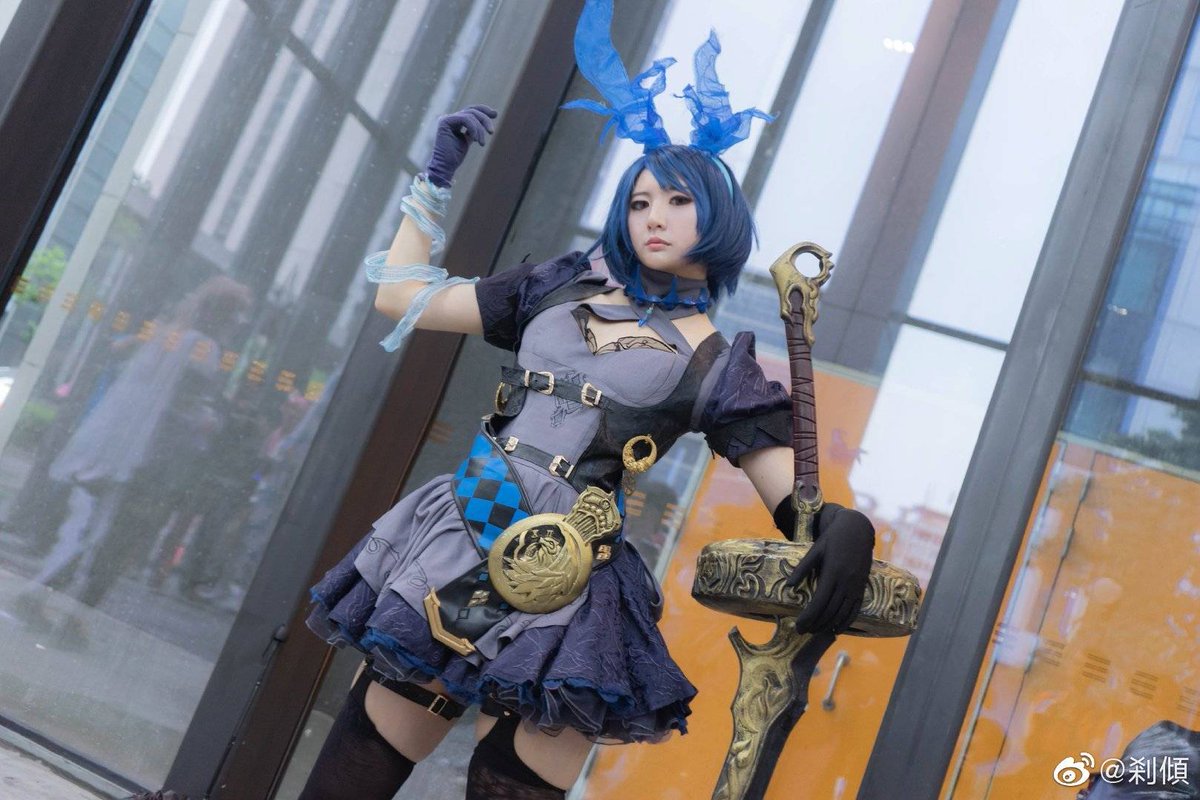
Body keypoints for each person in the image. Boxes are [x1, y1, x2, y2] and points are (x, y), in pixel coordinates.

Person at [299, 4, 876, 798]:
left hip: (571, 578)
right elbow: (401, 297)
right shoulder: (559, 286)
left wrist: (846, 526)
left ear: (717, 213)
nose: (654, 217)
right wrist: (435, 179)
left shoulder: (716, 362)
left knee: (512, 781)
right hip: (470, 530)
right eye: (639, 202)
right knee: (356, 771)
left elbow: (795, 506)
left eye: (677, 201)